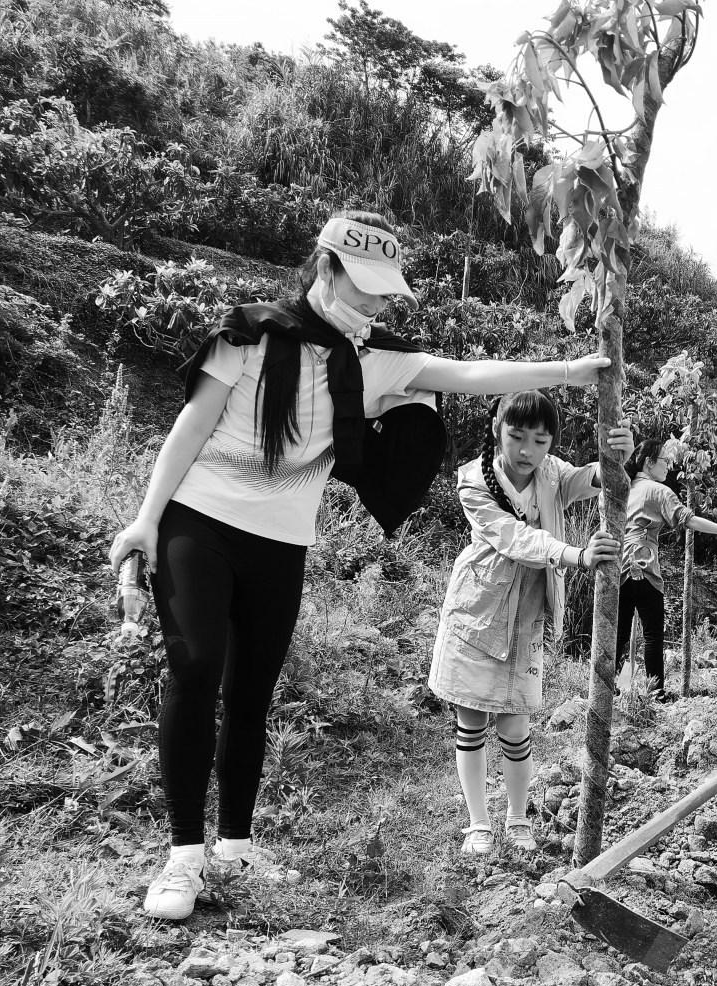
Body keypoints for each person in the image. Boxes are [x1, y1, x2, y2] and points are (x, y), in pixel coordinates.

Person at [108, 211, 611, 921]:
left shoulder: (373, 359)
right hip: (201, 520)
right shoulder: (249, 333)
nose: (374, 303)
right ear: (326, 267)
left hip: (281, 541)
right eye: (364, 286)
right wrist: (147, 520)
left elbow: (467, 374)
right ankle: (183, 855)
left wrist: (570, 372)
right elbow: (189, 426)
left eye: (385, 292)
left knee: (251, 692)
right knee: (194, 672)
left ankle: (235, 844)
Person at [429, 392, 630, 853]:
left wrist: (616, 456)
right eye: (516, 436)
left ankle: (517, 818)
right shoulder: (473, 482)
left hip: (527, 619)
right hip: (478, 614)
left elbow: (590, 479)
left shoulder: (552, 472)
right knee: (472, 721)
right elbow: (513, 538)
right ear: (497, 428)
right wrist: (574, 555)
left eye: (540, 440)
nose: (526, 451)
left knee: (517, 727)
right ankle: (478, 823)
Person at [617, 436, 717, 700]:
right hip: (644, 565)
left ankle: (605, 689)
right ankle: (655, 695)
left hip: (621, 567)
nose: (668, 466)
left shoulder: (627, 488)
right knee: (653, 635)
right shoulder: (659, 491)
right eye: (664, 461)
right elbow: (689, 521)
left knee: (620, 633)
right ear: (648, 462)